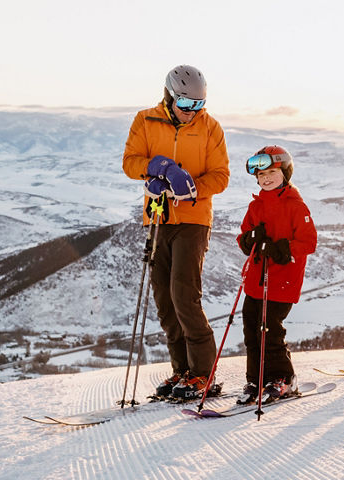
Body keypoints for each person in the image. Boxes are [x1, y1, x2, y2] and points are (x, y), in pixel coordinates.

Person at [122, 65, 230, 400]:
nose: (192, 112)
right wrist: (154, 168)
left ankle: (202, 374)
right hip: (157, 217)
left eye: (199, 105)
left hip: (194, 219)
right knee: (165, 300)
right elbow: (130, 162)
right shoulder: (145, 120)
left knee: (184, 295)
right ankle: (181, 371)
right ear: (170, 96)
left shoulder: (211, 128)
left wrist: (193, 189)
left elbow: (221, 176)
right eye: (187, 104)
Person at [235, 146, 317, 404]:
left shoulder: (296, 206)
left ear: (285, 173)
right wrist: (249, 240)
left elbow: (309, 242)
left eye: (272, 172)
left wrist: (283, 248)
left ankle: (283, 378)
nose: (266, 178)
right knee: (251, 328)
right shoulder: (255, 205)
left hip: (283, 280)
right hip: (255, 280)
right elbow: (243, 236)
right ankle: (256, 380)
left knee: (269, 329)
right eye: (261, 174)